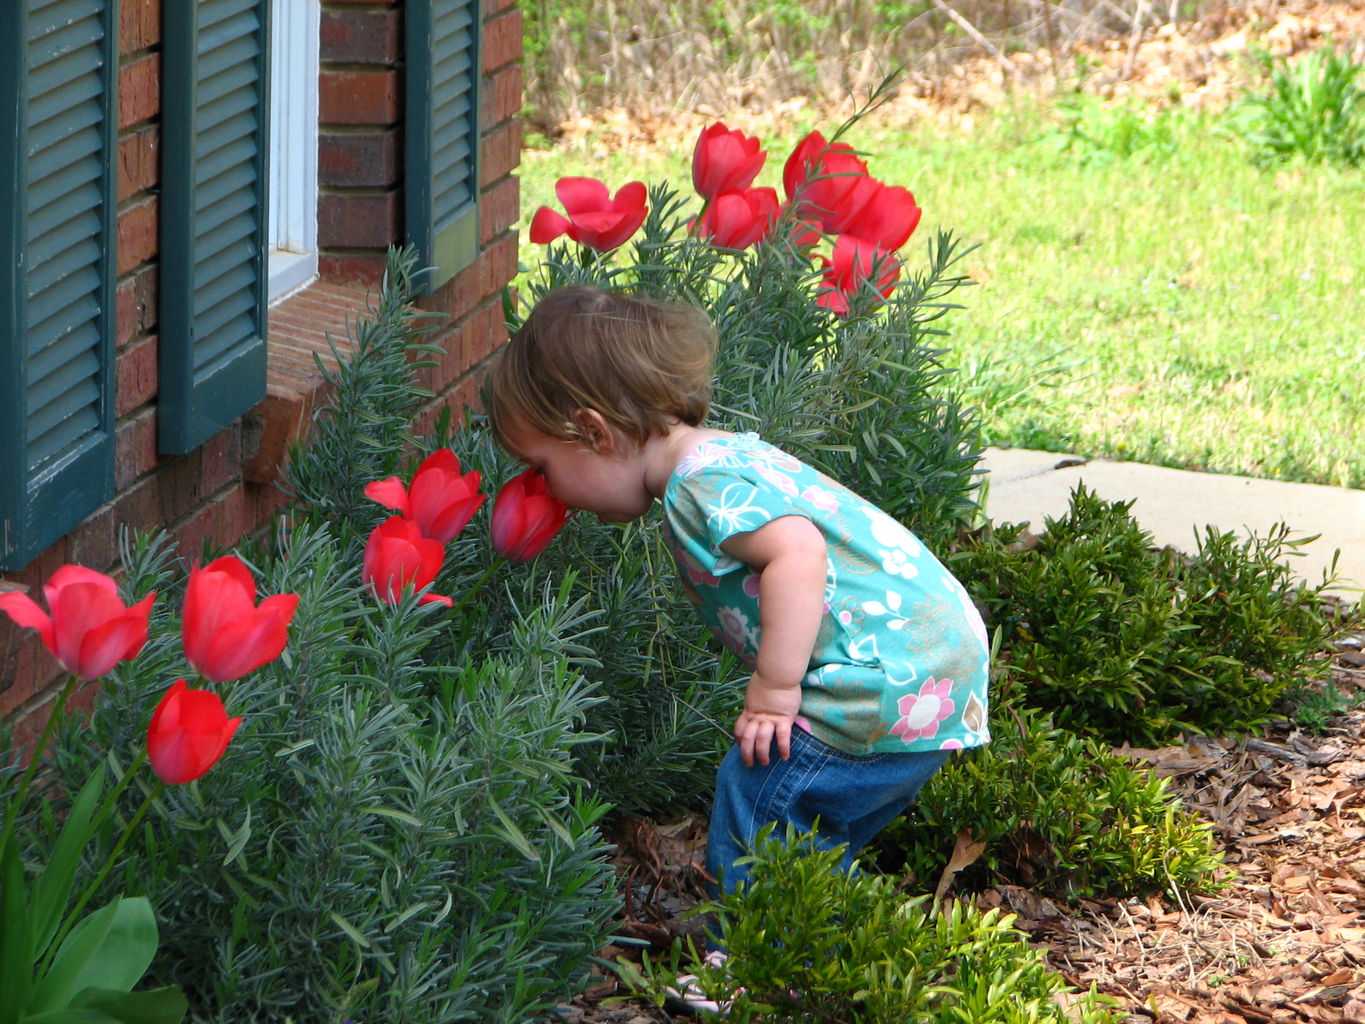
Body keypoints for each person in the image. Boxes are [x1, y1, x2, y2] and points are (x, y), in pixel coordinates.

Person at [486, 284, 990, 1011]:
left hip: (883, 671)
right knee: (810, 824)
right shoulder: (719, 458)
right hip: (926, 662)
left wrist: (776, 687)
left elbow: (796, 552)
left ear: (594, 432)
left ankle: (755, 969)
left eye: (540, 467)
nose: (544, 491)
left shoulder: (699, 488)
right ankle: (830, 946)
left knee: (761, 797)